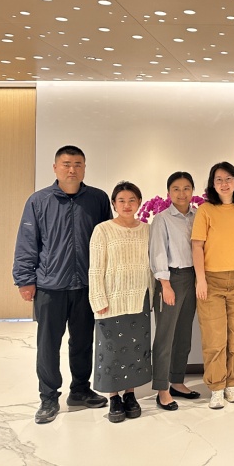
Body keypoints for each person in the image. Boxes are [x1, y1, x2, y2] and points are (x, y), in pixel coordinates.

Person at [13, 145, 111, 424]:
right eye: (66, 164)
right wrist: (25, 279)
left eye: (78, 164)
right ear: (55, 168)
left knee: (83, 342)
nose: (72, 169)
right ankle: (48, 397)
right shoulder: (38, 201)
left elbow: (108, 241)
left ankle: (80, 389)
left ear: (84, 168)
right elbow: (27, 242)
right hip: (50, 286)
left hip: (86, 285)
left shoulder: (97, 199)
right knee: (48, 344)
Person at [88, 181, 152, 424]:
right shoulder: (103, 230)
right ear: (114, 204)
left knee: (136, 348)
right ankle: (114, 396)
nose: (127, 205)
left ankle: (130, 394)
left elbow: (152, 264)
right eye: (121, 201)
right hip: (112, 299)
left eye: (132, 200)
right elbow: (96, 268)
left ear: (139, 203)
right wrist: (98, 298)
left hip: (139, 298)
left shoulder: (147, 229)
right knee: (111, 349)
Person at [191, 162, 234, 410]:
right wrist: (201, 280)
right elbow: (197, 246)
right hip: (211, 281)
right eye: (218, 180)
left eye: (228, 179)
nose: (224, 183)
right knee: (214, 338)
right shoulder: (205, 210)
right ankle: (216, 387)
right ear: (212, 184)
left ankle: (231, 384)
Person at [149, 172, 201, 411]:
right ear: (169, 192)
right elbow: (158, 252)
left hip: (193, 277)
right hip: (171, 279)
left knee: (183, 333)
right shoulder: (162, 219)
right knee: (165, 335)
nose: (182, 193)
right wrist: (165, 285)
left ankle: (177, 381)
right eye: (176, 189)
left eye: (186, 188)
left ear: (193, 191)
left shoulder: (198, 216)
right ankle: (162, 388)